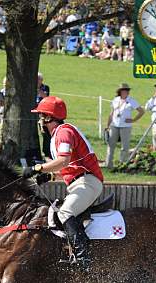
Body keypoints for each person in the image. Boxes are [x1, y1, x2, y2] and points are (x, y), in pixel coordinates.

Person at [24, 96, 104, 271]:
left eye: (41, 116)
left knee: (65, 212)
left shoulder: (63, 132)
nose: (40, 121)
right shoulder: (59, 134)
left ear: (49, 117)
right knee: (57, 213)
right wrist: (51, 177)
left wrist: (38, 168)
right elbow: (70, 168)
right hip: (81, 182)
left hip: (88, 183)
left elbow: (64, 161)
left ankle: (84, 260)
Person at [105, 83, 144, 168]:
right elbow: (111, 113)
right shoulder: (115, 100)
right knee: (111, 145)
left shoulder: (132, 100)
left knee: (125, 147)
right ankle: (108, 165)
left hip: (126, 126)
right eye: (124, 90)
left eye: (127, 90)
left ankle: (122, 165)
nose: (126, 91)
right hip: (114, 125)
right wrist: (107, 125)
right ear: (120, 91)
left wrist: (133, 120)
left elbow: (141, 111)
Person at [36, 73, 51, 159]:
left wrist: (38, 90)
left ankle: (46, 151)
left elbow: (45, 96)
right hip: (33, 111)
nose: (37, 81)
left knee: (44, 132)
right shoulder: (31, 86)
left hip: (43, 112)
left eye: (38, 79)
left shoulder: (45, 87)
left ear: (41, 80)